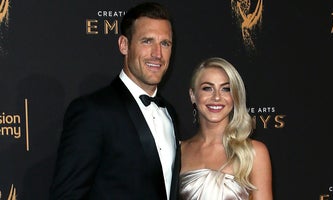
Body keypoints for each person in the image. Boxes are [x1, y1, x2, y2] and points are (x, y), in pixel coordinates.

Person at [49, 2, 180, 199]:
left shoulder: (169, 113)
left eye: (165, 43)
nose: (157, 54)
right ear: (124, 45)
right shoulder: (92, 112)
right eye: (147, 41)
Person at [180, 57, 272, 200]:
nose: (217, 97)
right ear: (193, 95)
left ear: (235, 96)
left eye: (226, 89)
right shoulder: (179, 151)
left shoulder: (254, 152)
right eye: (207, 88)